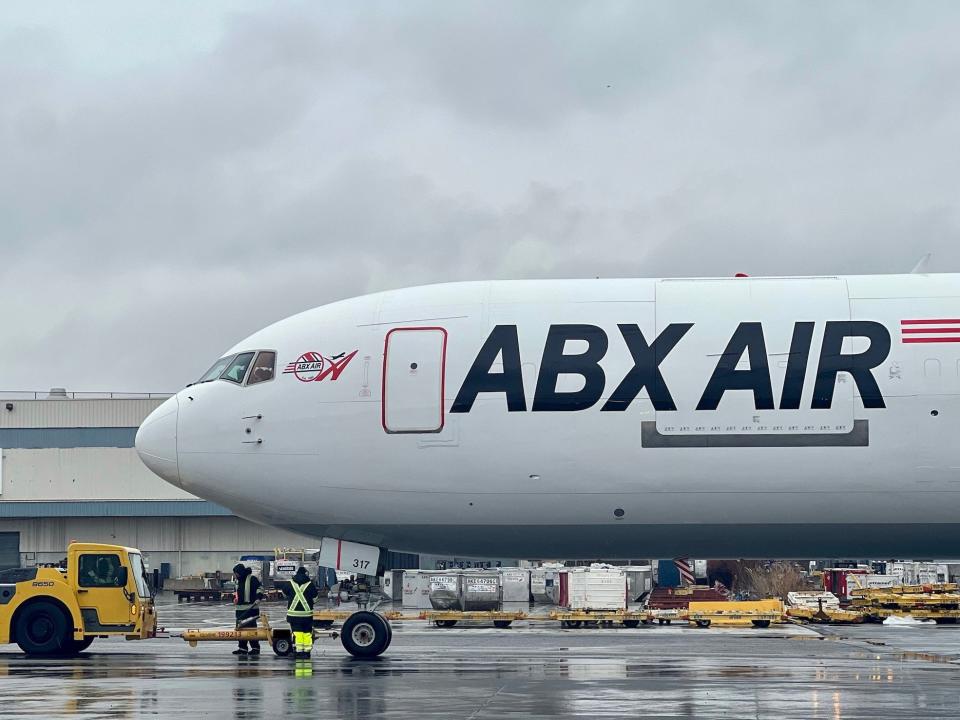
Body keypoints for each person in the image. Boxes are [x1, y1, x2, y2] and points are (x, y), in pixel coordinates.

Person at [283, 566, 318, 659]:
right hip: (307, 615)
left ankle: (299, 651)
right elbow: (315, 597)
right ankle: (306, 652)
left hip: (293, 614)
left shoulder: (290, 583)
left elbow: (284, 592)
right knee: (307, 633)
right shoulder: (310, 584)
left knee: (297, 633)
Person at [233, 563, 263, 656]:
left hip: (251, 609)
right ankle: (242, 648)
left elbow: (260, 588)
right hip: (240, 610)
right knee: (241, 629)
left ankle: (255, 648)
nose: (235, 575)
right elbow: (238, 593)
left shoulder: (252, 579)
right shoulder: (238, 581)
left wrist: (258, 598)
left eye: (236, 573)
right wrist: (235, 599)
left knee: (251, 629)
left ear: (240, 572)